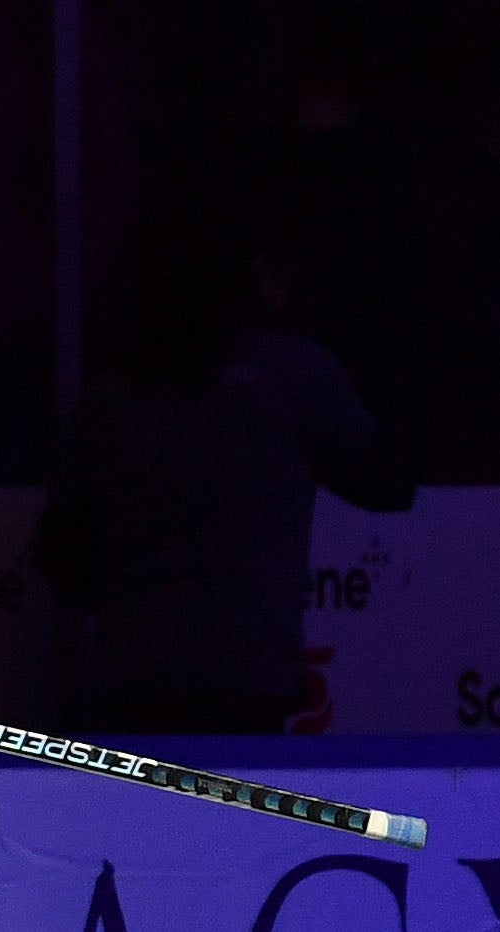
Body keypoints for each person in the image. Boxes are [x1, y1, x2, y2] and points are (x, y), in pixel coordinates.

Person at [31, 213, 415, 734]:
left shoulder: (114, 386)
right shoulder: (292, 371)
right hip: (250, 675)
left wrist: (138, 602)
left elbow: (57, 549)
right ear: (259, 278)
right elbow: (390, 483)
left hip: (133, 676)